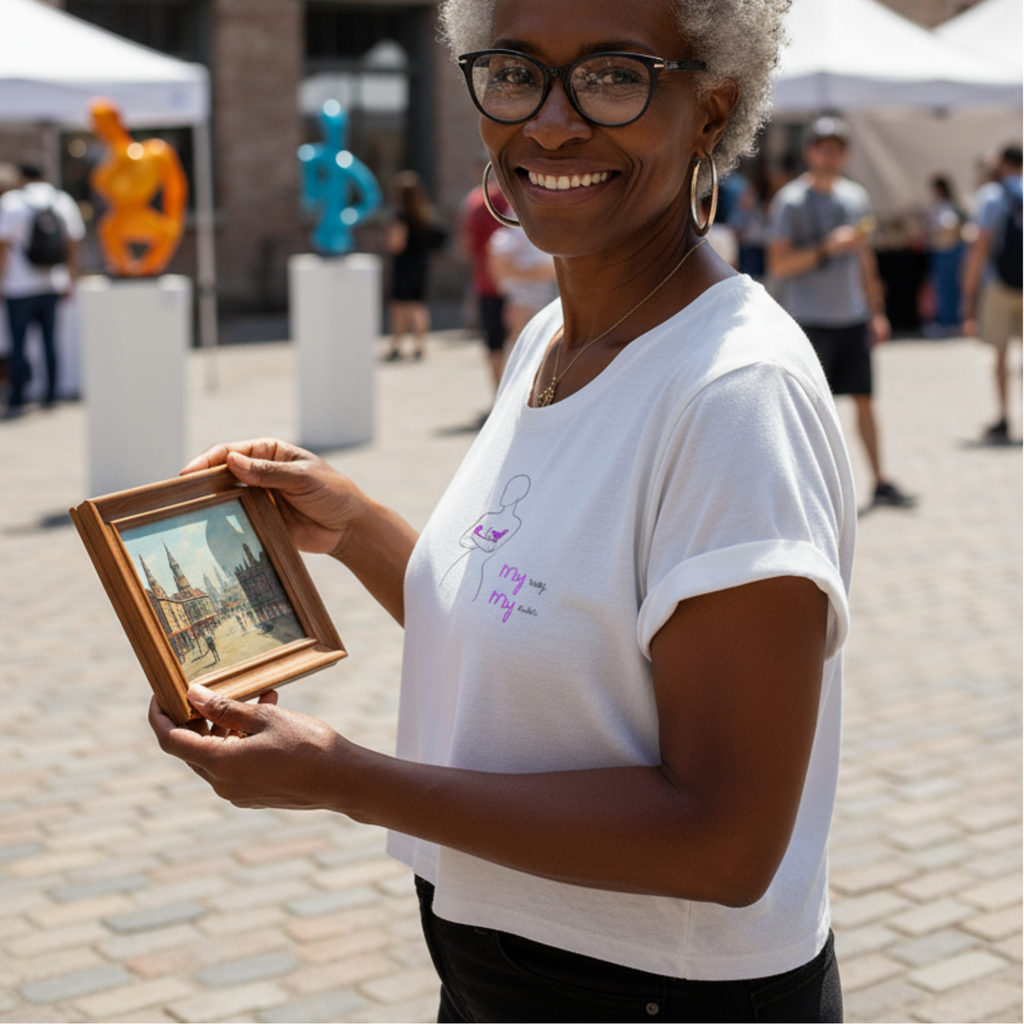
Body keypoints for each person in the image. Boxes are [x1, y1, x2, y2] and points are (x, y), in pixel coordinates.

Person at [151, 2, 852, 1020]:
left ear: (712, 109)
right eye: (515, 71)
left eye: (613, 76)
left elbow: (725, 840)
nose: (553, 122)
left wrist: (346, 778)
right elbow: (529, 619)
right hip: (501, 960)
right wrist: (351, 527)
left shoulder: (731, 394)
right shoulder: (552, 340)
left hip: (654, 989)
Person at [768, 117, 916, 509]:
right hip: (809, 319)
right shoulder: (792, 201)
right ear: (809, 151)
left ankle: (880, 481)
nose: (829, 153)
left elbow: (864, 257)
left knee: (865, 399)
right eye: (822, 146)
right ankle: (809, 495)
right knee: (814, 412)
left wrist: (876, 310)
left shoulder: (855, 197)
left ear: (845, 154)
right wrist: (826, 249)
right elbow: (779, 264)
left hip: (851, 317)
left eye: (836, 147)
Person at [0, 164, 85, 415]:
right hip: (52, 282)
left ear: (22, 178)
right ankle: (51, 396)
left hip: (19, 286)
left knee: (19, 343)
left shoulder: (12, 202)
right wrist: (71, 278)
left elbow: (3, 247)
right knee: (50, 341)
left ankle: (18, 398)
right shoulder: (62, 200)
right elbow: (73, 244)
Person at [962, 144, 1023, 444]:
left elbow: (980, 246)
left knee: (1000, 353)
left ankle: (1004, 416)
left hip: (999, 285)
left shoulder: (991, 196)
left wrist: (969, 294)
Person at [458, 158, 513, 393]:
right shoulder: (523, 200)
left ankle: (500, 396)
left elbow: (466, 246)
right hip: (525, 284)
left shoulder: (478, 203)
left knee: (494, 345)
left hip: (489, 283)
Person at [385, 170, 445, 362]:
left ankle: (397, 343)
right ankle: (420, 344)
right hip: (420, 265)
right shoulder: (425, 214)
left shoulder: (399, 216)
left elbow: (397, 244)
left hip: (403, 266)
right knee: (418, 306)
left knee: (399, 307)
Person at [487, 224, 557, 350]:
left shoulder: (549, 233)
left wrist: (516, 271)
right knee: (519, 343)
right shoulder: (505, 236)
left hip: (548, 302)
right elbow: (499, 269)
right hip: (518, 301)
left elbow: (552, 271)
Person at [924, 175, 966, 337]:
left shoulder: (945, 207)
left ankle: (949, 322)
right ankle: (950, 321)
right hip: (947, 252)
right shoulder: (948, 206)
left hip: (947, 252)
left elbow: (949, 228)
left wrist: (934, 237)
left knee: (947, 288)